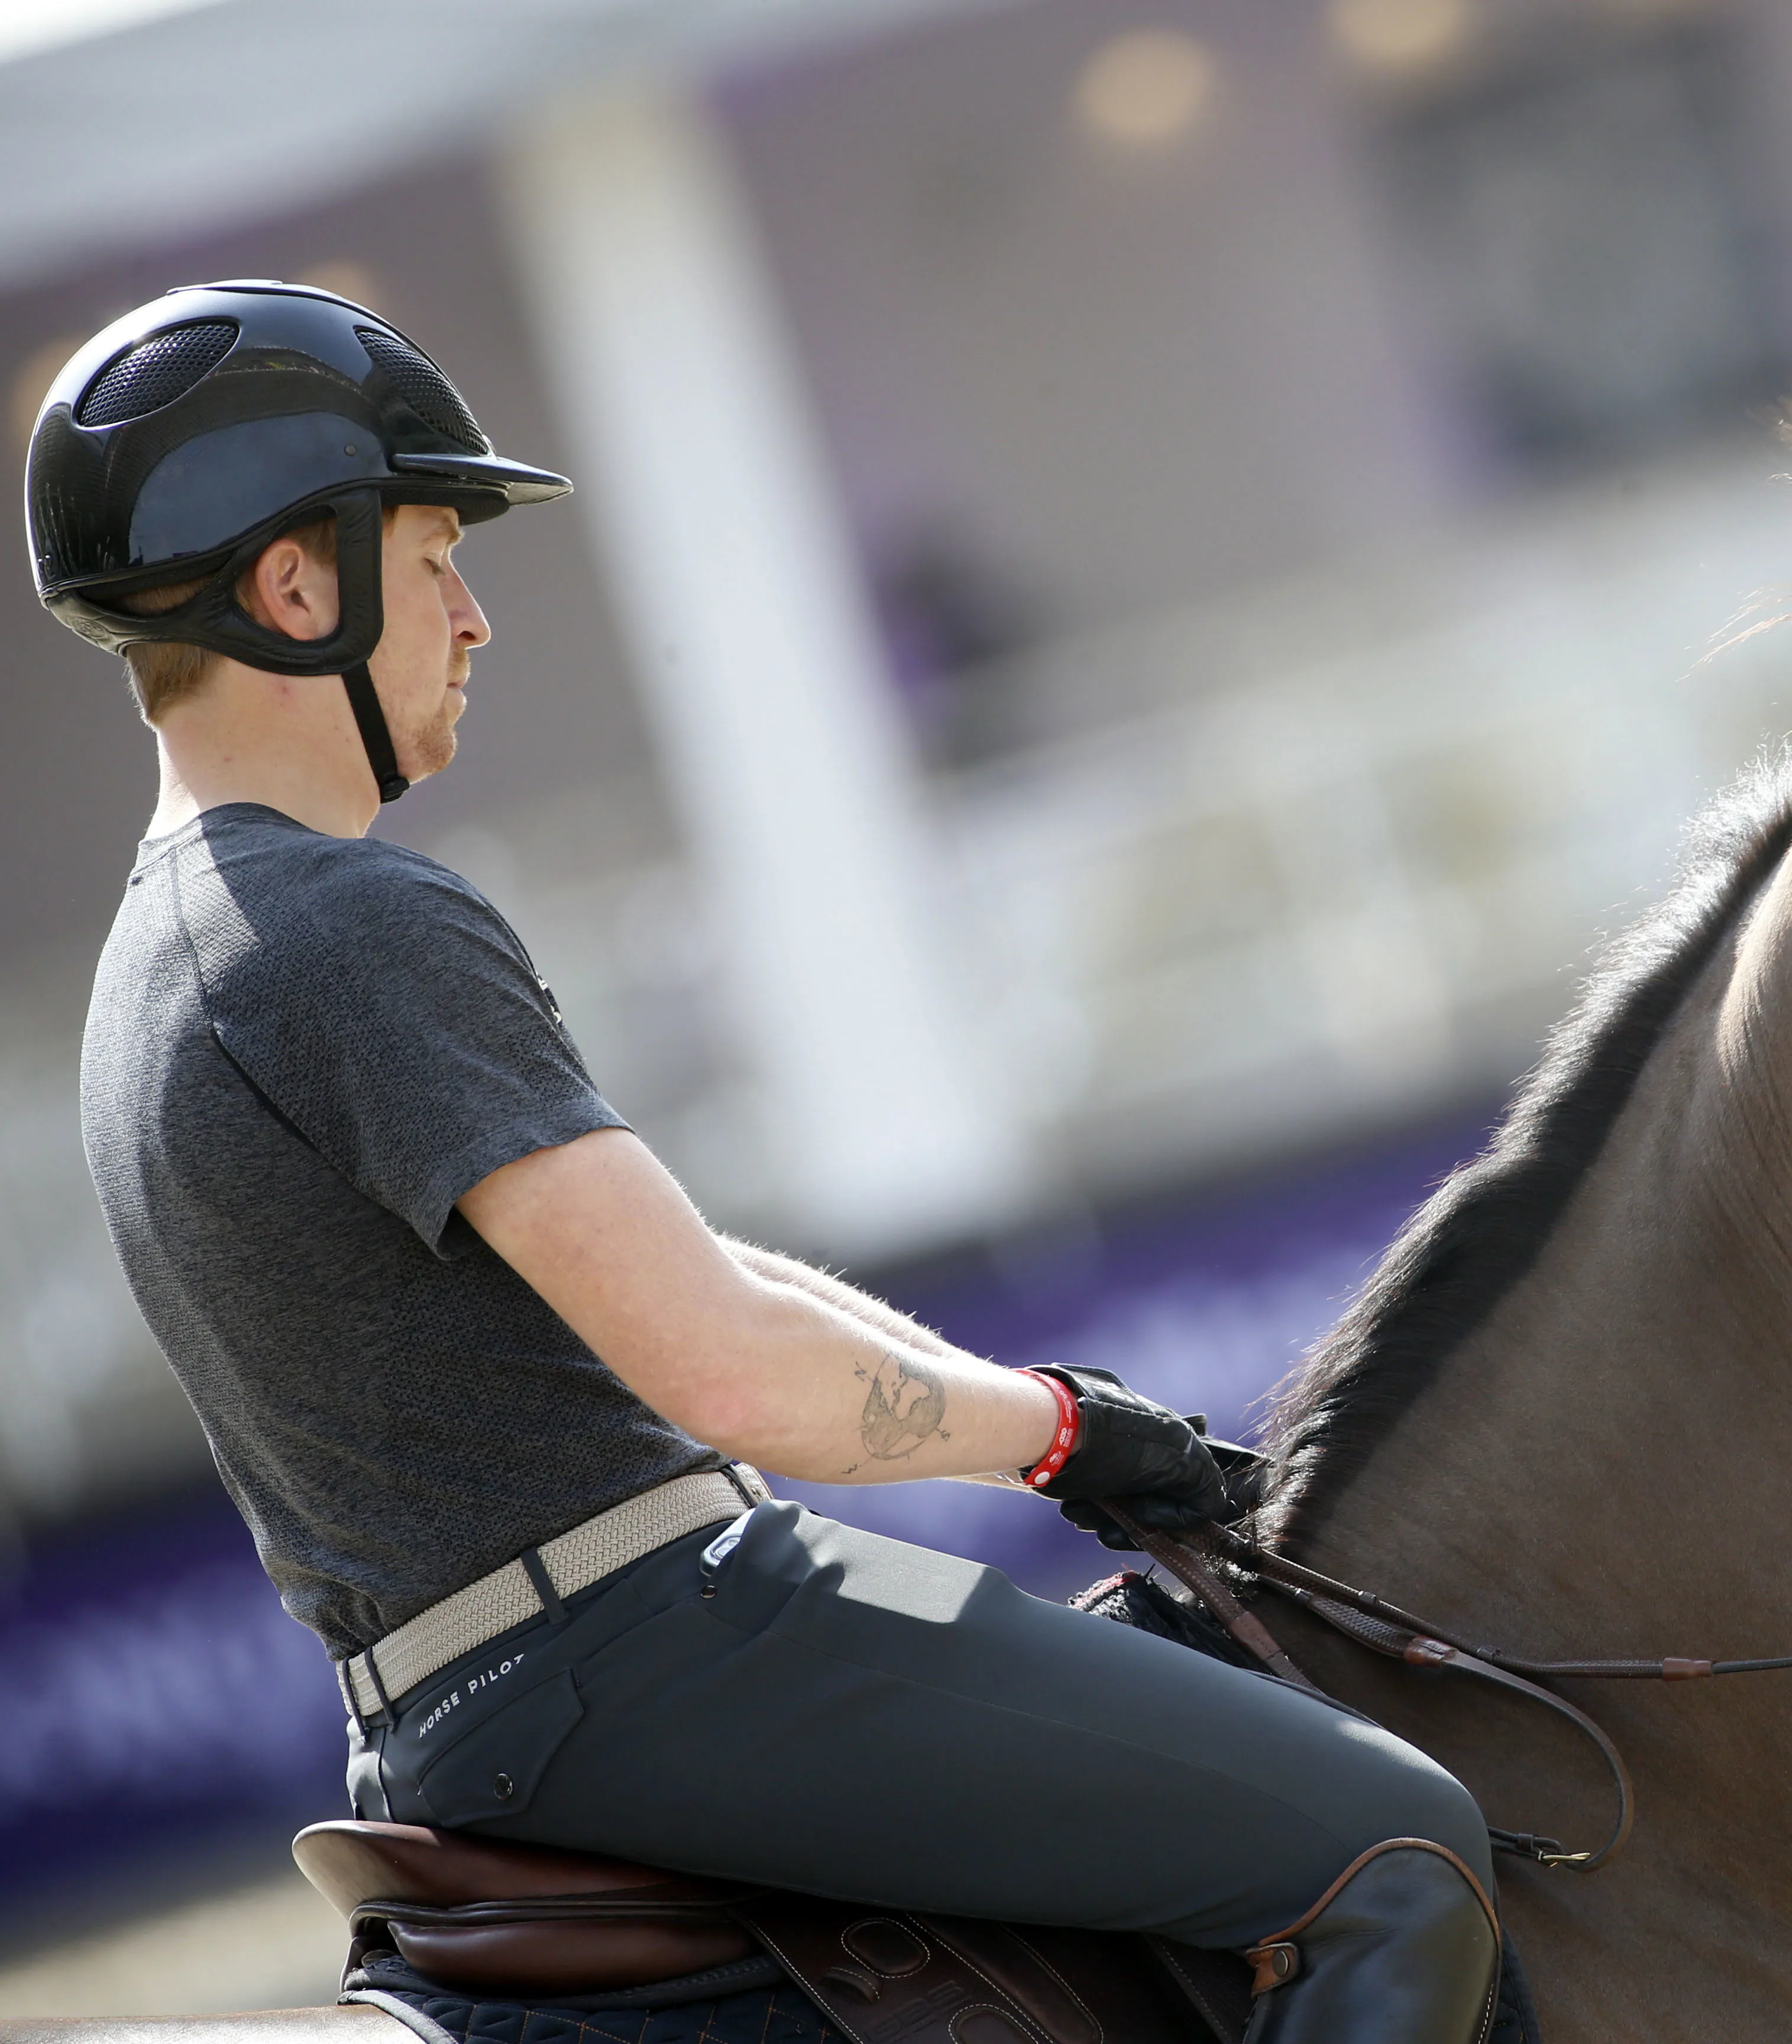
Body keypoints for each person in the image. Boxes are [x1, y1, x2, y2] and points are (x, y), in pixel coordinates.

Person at [32, 282, 1498, 2043]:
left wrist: (1027, 1395)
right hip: (660, 1647)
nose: (476, 619)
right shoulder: (339, 924)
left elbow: (693, 1279)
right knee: (1400, 1844)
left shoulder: (153, 970)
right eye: (434, 560)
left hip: (454, 1707)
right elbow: (727, 1371)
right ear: (297, 587)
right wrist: (1053, 1433)